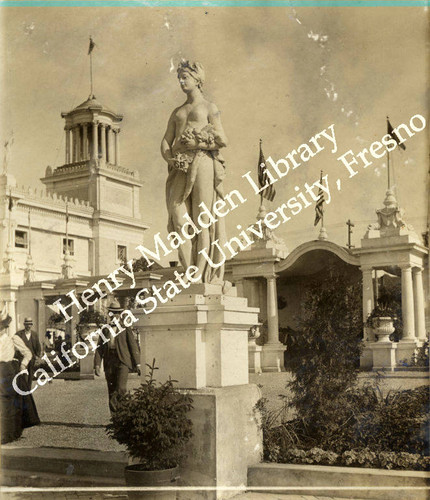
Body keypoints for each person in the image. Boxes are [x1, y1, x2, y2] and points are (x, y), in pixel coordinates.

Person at [161, 59, 229, 285]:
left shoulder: (209, 107)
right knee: (178, 217)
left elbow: (222, 139)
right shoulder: (177, 112)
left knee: (203, 220)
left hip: (202, 163)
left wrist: (200, 143)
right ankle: (189, 270)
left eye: (185, 77)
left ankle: (199, 274)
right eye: (179, 78)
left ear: (197, 80)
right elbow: (165, 141)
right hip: (179, 166)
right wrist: (171, 158)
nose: (181, 81)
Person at [94, 299, 141, 414]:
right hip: (109, 361)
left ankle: (122, 413)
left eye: (116, 312)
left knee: (121, 388)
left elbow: (133, 346)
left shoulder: (125, 328)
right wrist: (96, 365)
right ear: (109, 314)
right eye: (111, 312)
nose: (114, 315)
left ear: (120, 314)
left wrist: (138, 363)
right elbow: (99, 348)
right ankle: (115, 418)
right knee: (111, 389)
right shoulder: (104, 329)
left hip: (123, 361)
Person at [0, 308, 39, 444]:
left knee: (9, 403)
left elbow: (28, 353)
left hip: (8, 372)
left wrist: (22, 365)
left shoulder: (12, 338)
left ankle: (10, 433)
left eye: (3, 326)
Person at [15, 317, 41, 391]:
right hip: (22, 359)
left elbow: (37, 345)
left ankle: (28, 391)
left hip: (32, 359)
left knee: (30, 375)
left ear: (31, 325)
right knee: (24, 375)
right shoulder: (19, 334)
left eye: (30, 324)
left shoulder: (34, 334)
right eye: (27, 324)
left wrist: (37, 355)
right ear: (24, 324)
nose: (28, 326)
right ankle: (23, 390)